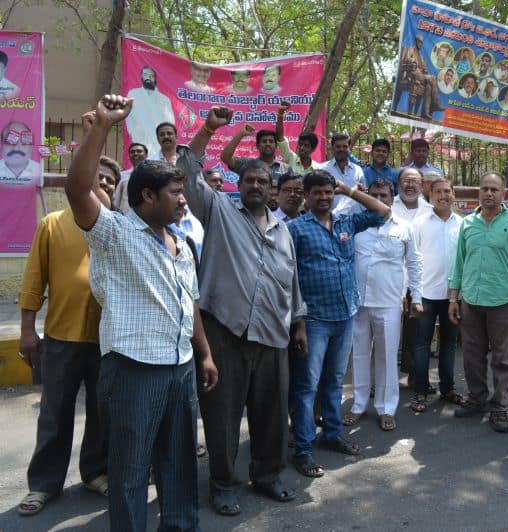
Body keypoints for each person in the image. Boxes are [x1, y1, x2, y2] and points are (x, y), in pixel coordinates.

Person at [67, 94, 218, 531]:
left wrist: (204, 354)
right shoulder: (114, 233)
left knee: (180, 465)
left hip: (180, 369)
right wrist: (102, 126)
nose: (183, 201)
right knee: (131, 471)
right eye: (176, 193)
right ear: (147, 195)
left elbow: (189, 301)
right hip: (134, 370)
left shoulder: (181, 242)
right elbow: (77, 190)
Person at [177, 105, 307, 516]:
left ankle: (268, 476)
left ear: (272, 190)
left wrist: (298, 324)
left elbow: (292, 281)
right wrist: (208, 128)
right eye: (249, 179)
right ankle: (222, 484)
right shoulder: (218, 210)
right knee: (222, 416)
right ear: (239, 182)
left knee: (272, 415)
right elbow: (186, 173)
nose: (255, 185)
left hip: (273, 335)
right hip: (225, 332)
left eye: (262, 181)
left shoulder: (283, 231)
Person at [16, 116, 118, 516]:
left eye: (111, 181)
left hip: (108, 339)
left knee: (103, 412)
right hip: (61, 337)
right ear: (83, 177)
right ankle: (43, 484)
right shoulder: (52, 224)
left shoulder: (121, 229)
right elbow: (33, 281)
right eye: (98, 176)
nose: (105, 183)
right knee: (55, 414)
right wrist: (27, 331)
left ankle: (95, 472)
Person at [287, 170, 391, 478]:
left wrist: (350, 191)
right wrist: (298, 322)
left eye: (328, 192)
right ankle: (303, 448)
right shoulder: (294, 229)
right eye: (317, 192)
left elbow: (383, 212)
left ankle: (332, 434)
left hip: (345, 316)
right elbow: (289, 278)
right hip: (314, 321)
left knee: (333, 381)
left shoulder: (346, 222)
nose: (324, 197)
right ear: (307, 196)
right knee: (307, 386)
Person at [448, 172, 508, 433]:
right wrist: (454, 298)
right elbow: (458, 262)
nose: (488, 193)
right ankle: (476, 399)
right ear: (479, 192)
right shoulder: (467, 223)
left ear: (503, 194)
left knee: (503, 358)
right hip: (471, 300)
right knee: (472, 355)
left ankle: (499, 406)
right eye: (484, 188)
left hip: (502, 300)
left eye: (494, 189)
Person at [343, 178, 422, 431]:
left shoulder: (404, 227)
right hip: (358, 302)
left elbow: (414, 263)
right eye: (374, 195)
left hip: (388, 301)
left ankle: (387, 408)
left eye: (384, 196)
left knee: (387, 357)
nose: (378, 200)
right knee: (359, 355)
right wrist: (352, 196)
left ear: (392, 197)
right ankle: (359, 404)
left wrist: (416, 297)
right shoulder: (355, 224)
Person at [410, 178, 466, 413]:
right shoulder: (419, 223)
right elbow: (411, 259)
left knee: (449, 344)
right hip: (425, 293)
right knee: (422, 344)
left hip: (453, 295)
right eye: (438, 192)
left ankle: (448, 389)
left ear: (453, 194)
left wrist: (459, 293)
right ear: (430, 195)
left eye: (447, 191)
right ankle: (421, 391)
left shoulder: (463, 224)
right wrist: (412, 293)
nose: (443, 196)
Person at [392, 167, 433, 382]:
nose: (410, 185)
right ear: (398, 183)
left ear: (422, 184)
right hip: (393, 279)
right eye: (406, 180)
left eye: (414, 181)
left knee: (417, 331)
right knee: (386, 332)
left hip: (421, 279)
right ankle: (383, 379)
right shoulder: (388, 207)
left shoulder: (430, 210)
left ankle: (414, 375)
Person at [221, 123, 290, 209]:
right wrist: (240, 134)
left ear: (276, 146)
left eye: (271, 141)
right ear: (257, 146)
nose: (268, 144)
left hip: (279, 213)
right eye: (264, 141)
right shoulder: (248, 164)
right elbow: (225, 157)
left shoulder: (286, 169)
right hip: (252, 211)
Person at [125, 66, 175, 156]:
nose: (148, 77)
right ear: (141, 77)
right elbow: (129, 117)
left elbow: (170, 122)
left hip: (160, 143)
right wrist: (134, 134)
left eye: (151, 76)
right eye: (145, 75)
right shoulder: (133, 94)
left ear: (155, 78)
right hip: (140, 140)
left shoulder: (164, 99)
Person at [395, 35, 443, 120]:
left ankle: (425, 112)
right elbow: (407, 61)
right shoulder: (410, 49)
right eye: (419, 42)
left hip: (420, 76)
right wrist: (413, 64)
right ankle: (436, 103)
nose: (420, 44)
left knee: (429, 87)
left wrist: (425, 69)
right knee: (432, 78)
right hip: (412, 74)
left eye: (421, 42)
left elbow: (424, 67)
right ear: (416, 41)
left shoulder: (420, 55)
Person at [323, 133, 366, 215]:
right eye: (338, 146)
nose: (341, 149)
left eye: (345, 146)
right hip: (333, 219)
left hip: (356, 219)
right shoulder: (323, 169)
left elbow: (364, 195)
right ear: (332, 148)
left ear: (349, 148)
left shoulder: (358, 170)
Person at [276, 101, 323, 175]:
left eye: (306, 145)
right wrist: (281, 113)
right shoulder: (291, 158)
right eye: (300, 145)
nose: (302, 148)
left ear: (313, 149)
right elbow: (280, 137)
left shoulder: (318, 169)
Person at [114, 142, 148, 213]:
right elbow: (116, 198)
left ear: (146, 155)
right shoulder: (122, 175)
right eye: (132, 152)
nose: (135, 153)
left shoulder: (152, 174)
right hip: (125, 215)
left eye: (139, 151)